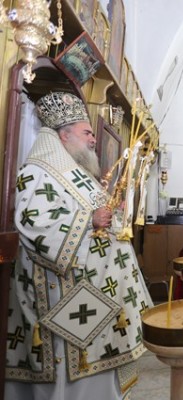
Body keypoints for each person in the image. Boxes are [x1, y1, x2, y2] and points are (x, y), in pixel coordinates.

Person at [5, 92, 153, 399]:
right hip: (63, 295)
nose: (93, 139)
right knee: (70, 369)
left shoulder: (74, 173)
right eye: (87, 132)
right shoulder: (38, 171)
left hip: (94, 292)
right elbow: (34, 222)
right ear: (64, 135)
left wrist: (110, 214)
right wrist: (89, 220)